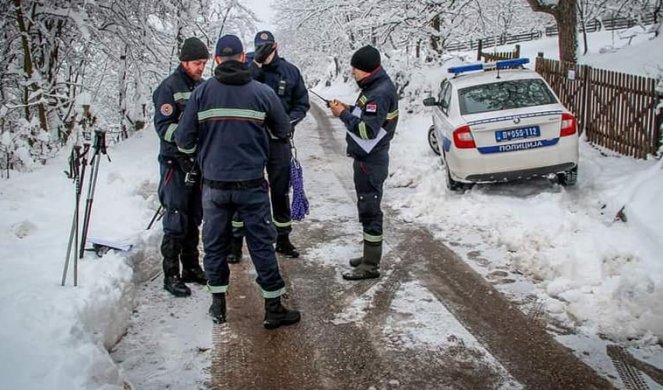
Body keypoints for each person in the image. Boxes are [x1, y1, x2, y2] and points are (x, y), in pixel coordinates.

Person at [175, 34, 301, 329]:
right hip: (251, 185)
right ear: (244, 57)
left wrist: (204, 153)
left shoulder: (201, 93)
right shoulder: (262, 93)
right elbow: (283, 129)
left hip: (214, 186)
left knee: (215, 245)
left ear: (217, 59)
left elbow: (183, 140)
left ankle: (218, 306)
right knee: (261, 245)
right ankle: (273, 308)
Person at [226, 30, 310, 263]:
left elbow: (302, 103)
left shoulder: (290, 71)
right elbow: (234, 92)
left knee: (280, 190)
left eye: (268, 48)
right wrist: (257, 65)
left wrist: (287, 122)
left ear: (276, 46)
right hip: (249, 142)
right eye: (260, 47)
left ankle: (283, 238)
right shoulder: (246, 69)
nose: (264, 51)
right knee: (241, 190)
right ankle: (235, 243)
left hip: (278, 141)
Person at [328, 45, 399, 280]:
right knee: (366, 207)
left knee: (370, 210)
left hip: (372, 160)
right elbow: (366, 116)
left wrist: (343, 116)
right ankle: (369, 256)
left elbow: (368, 130)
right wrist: (348, 108)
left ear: (367, 70)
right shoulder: (373, 87)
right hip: (367, 159)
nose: (352, 73)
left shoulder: (379, 92)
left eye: (355, 69)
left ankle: (370, 265)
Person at [152, 37, 209, 297]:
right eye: (197, 63)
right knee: (176, 217)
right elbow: (163, 127)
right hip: (175, 163)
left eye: (204, 63)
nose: (201, 68)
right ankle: (171, 274)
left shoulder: (204, 86)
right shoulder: (168, 88)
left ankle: (191, 267)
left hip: (197, 164)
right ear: (184, 61)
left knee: (194, 216)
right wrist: (185, 142)